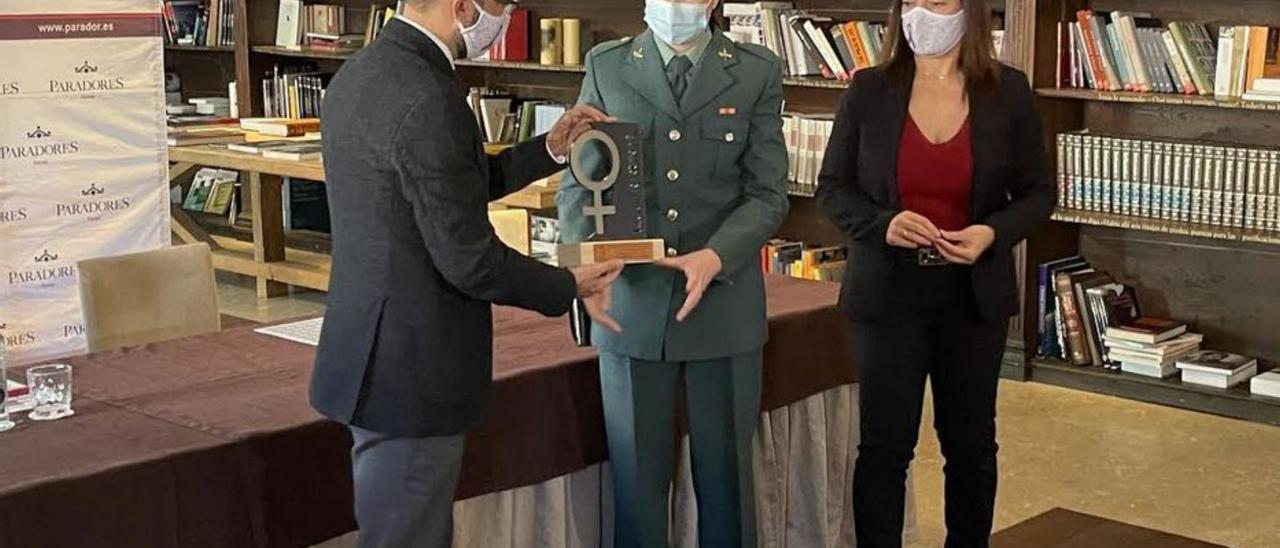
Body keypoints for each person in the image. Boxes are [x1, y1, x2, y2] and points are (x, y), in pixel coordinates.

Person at [309, 1, 625, 546]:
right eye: (501, 6)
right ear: (462, 8)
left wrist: (549, 149)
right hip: (412, 372)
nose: (503, 19)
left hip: (366, 348)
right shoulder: (430, 97)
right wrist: (568, 284)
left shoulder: (360, 73)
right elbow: (470, 259)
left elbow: (449, 187)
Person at [814, 0, 1053, 546]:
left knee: (970, 446)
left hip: (971, 297)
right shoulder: (868, 89)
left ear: (968, 9)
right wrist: (883, 223)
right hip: (887, 295)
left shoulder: (1008, 90)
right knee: (884, 447)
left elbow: (1039, 193)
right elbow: (832, 188)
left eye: (939, 0)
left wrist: (991, 233)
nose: (926, 9)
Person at [557, 1, 789, 546]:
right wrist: (576, 272)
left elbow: (767, 193)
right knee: (637, 492)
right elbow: (580, 181)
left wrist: (715, 256)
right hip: (631, 307)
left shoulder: (755, 69)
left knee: (727, 490)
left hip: (723, 305)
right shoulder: (607, 65)